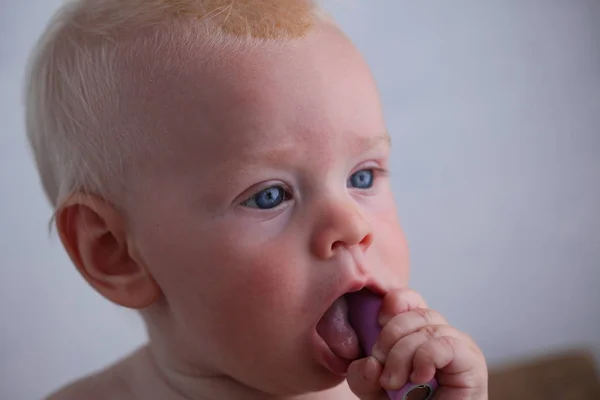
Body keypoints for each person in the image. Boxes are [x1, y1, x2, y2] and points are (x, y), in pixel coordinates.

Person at [24, 0, 488, 399]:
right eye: (270, 196)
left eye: (362, 176)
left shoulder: (401, 389)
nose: (351, 225)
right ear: (115, 253)